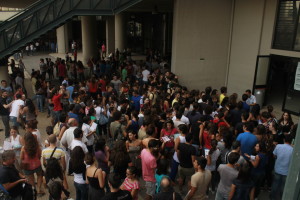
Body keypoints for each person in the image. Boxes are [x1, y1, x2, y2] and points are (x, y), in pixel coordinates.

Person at [270, 134, 293, 200]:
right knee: (283, 186)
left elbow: (274, 155)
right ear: (291, 141)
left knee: (275, 184)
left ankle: (272, 197)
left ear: (284, 140)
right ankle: (281, 197)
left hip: (277, 169)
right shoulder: (292, 149)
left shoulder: (278, 146)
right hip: (286, 171)